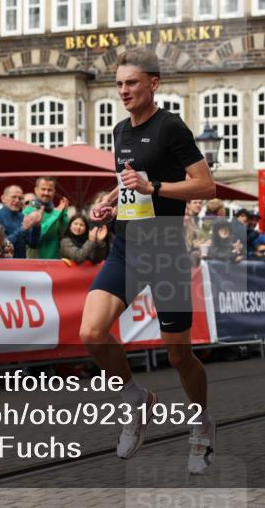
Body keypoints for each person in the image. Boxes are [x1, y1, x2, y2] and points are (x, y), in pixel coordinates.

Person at [80, 48, 217, 474]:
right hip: (126, 246)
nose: (123, 91)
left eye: (132, 83)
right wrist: (108, 202)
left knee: (179, 356)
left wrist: (152, 184)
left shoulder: (171, 127)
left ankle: (201, 425)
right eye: (119, 84)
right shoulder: (120, 130)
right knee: (91, 331)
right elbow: (126, 182)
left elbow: (206, 186)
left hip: (165, 252)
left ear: (153, 83)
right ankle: (135, 399)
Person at [25, 177, 69, 259]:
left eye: (50, 190)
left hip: (55, 263)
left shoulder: (56, 211)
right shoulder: (27, 211)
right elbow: (37, 235)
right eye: (43, 189)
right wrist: (57, 213)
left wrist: (64, 213)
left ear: (54, 192)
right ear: (36, 190)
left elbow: (64, 233)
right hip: (35, 264)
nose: (46, 193)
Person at [0, 185, 42, 258]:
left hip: (21, 264)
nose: (17, 200)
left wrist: (37, 226)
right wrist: (23, 229)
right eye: (13, 197)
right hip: (1, 265)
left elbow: (33, 245)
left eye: (20, 198)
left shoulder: (22, 216)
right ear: (3, 198)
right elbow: (2, 245)